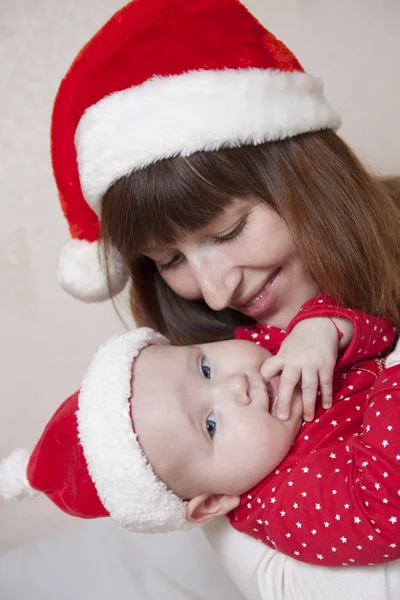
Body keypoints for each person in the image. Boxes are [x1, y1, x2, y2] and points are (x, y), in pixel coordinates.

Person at [48, 0, 400, 597]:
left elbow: (368, 329)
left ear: (306, 176)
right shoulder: (270, 487)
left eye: (229, 231)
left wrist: (329, 327)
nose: (214, 292)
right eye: (171, 261)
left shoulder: (256, 356)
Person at [1, 294, 399, 568]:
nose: (235, 386)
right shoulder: (286, 504)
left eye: (205, 368)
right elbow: (385, 504)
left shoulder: (269, 348)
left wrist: (326, 327)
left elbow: (377, 308)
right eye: (210, 425)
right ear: (212, 502)